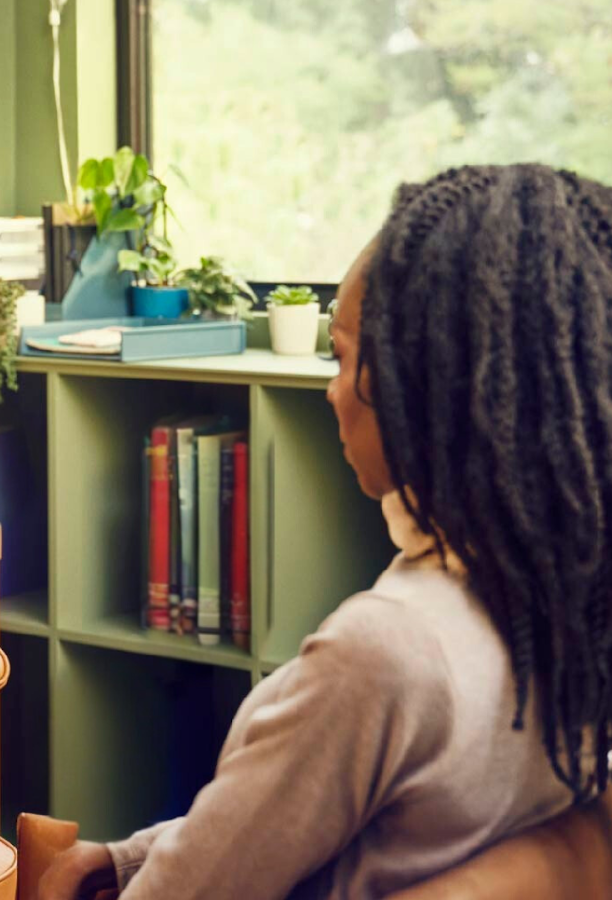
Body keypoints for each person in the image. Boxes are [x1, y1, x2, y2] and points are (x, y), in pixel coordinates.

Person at [40, 164, 612, 899]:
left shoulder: (387, 648)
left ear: (422, 380)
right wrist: (130, 857)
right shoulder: (562, 605)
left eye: (341, 357)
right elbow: (323, 820)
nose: (331, 391)